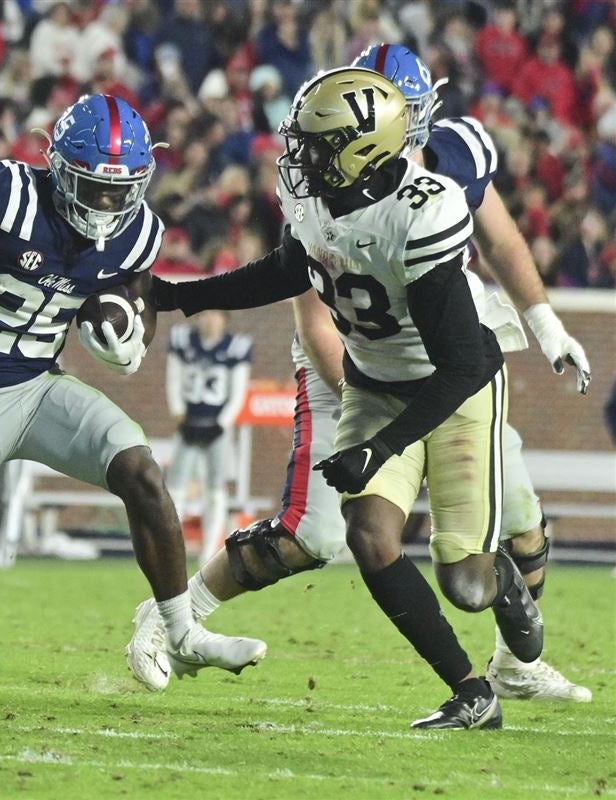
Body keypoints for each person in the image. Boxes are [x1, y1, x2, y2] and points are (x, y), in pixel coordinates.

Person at [127, 45, 592, 707]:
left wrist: (546, 327)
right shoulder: (321, 192)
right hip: (353, 360)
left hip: (439, 366)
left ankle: (514, 664)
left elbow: (499, 252)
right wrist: (384, 434)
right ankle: (176, 612)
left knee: (516, 526)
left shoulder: (441, 181)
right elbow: (314, 313)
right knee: (316, 535)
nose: (299, 158)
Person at [0, 94, 267, 709]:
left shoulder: (139, 231)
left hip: (38, 387)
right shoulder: (8, 196)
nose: (111, 205)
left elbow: (137, 294)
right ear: (59, 169)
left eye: (123, 190)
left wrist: (131, 334)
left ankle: (180, 629)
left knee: (141, 470)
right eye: (96, 187)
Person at [164, 310, 252, 562]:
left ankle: (209, 550)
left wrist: (223, 422)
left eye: (215, 314)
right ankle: (170, 547)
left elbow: (238, 390)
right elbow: (174, 378)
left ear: (225, 318)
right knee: (176, 488)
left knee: (215, 489)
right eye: (205, 314)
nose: (210, 320)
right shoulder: (183, 340)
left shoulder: (236, 346)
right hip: (188, 422)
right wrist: (178, 411)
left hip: (216, 427)